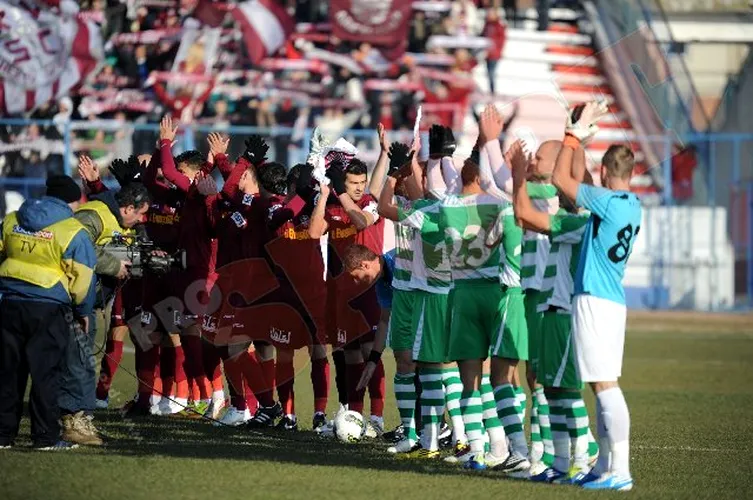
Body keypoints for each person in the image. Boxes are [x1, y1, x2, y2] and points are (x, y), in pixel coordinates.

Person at [551, 101, 641, 491]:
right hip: (610, 300)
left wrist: (571, 137)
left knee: (606, 385)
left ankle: (619, 469)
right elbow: (580, 181)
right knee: (599, 383)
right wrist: (582, 142)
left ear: (606, 173)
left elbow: (561, 179)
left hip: (595, 300)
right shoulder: (631, 204)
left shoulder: (606, 200)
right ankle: (604, 466)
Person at [510, 139, 598, 483]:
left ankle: (581, 456)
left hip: (563, 311)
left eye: (542, 157)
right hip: (546, 304)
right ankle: (555, 460)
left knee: (562, 388)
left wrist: (574, 138)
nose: (535, 160)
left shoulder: (576, 218)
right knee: (545, 383)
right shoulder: (562, 211)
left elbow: (577, 176)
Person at [0, 175, 96, 450]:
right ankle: (44, 437)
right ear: (72, 201)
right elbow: (83, 279)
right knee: (46, 374)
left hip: (10, 302)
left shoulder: (12, 219)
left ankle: (3, 435)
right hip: (50, 308)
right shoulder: (72, 231)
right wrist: (83, 311)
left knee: (8, 372)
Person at [58, 180, 150, 445]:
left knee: (79, 363)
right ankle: (75, 421)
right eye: (140, 213)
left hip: (85, 300)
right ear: (127, 208)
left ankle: (76, 420)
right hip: (71, 300)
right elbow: (77, 246)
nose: (142, 219)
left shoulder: (117, 220)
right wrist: (113, 265)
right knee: (79, 365)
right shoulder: (95, 214)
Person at [309, 156, 386, 435]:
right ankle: (354, 415)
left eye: (360, 182)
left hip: (369, 292)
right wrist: (324, 194)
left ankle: (377, 418)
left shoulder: (369, 204)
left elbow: (361, 223)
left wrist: (340, 193)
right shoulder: (334, 207)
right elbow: (315, 231)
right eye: (352, 182)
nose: (357, 187)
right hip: (341, 293)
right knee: (350, 355)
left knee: (369, 353)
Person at [482, 10, 506, 95]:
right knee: (488, 73)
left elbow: (501, 41)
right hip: (487, 54)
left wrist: (494, 50)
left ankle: (492, 91)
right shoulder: (487, 25)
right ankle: (490, 90)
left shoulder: (499, 26)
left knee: (491, 73)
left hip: (494, 55)